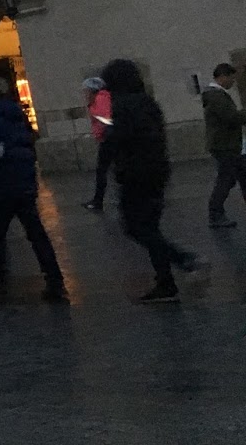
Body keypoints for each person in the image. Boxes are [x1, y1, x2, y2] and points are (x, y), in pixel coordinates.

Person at [102, 59, 201, 302]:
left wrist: (111, 154)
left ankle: (184, 259)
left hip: (136, 174)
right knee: (150, 228)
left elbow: (118, 139)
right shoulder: (148, 102)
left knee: (135, 227)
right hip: (157, 171)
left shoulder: (122, 105)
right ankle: (166, 283)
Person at [0, 77, 67, 302]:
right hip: (24, 180)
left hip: (1, 183)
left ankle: (0, 283)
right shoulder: (15, 114)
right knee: (36, 233)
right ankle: (55, 279)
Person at [203, 63, 246, 229]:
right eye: (231, 79)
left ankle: (216, 213)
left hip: (228, 144)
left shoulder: (216, 95)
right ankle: (215, 214)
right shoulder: (216, 96)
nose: (233, 82)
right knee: (226, 180)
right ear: (222, 76)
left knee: (241, 174)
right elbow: (231, 118)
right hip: (225, 145)